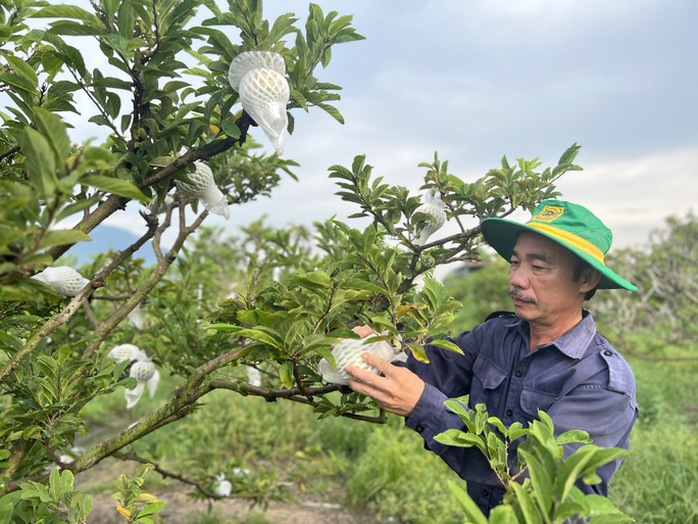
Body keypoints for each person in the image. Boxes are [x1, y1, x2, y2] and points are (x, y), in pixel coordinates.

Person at [345, 199, 639, 515]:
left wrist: (423, 406)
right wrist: (374, 349)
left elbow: (536, 478)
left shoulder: (602, 382)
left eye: (538, 267)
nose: (516, 279)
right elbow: (433, 366)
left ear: (586, 280)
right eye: (515, 263)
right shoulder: (498, 335)